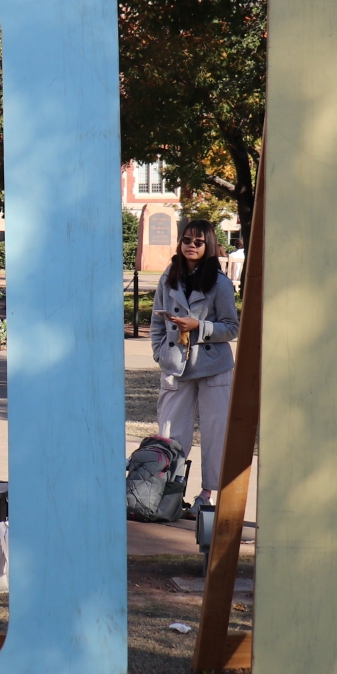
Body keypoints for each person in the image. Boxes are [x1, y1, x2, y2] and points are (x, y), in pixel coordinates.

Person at [151, 218, 241, 509]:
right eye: (187, 240)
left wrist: (199, 326)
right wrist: (160, 352)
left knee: (216, 432)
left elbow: (231, 327)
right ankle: (168, 492)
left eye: (198, 242)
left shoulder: (220, 283)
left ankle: (208, 495)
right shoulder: (169, 278)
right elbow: (156, 321)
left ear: (208, 245)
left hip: (213, 366)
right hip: (175, 364)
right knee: (170, 432)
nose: (191, 245)